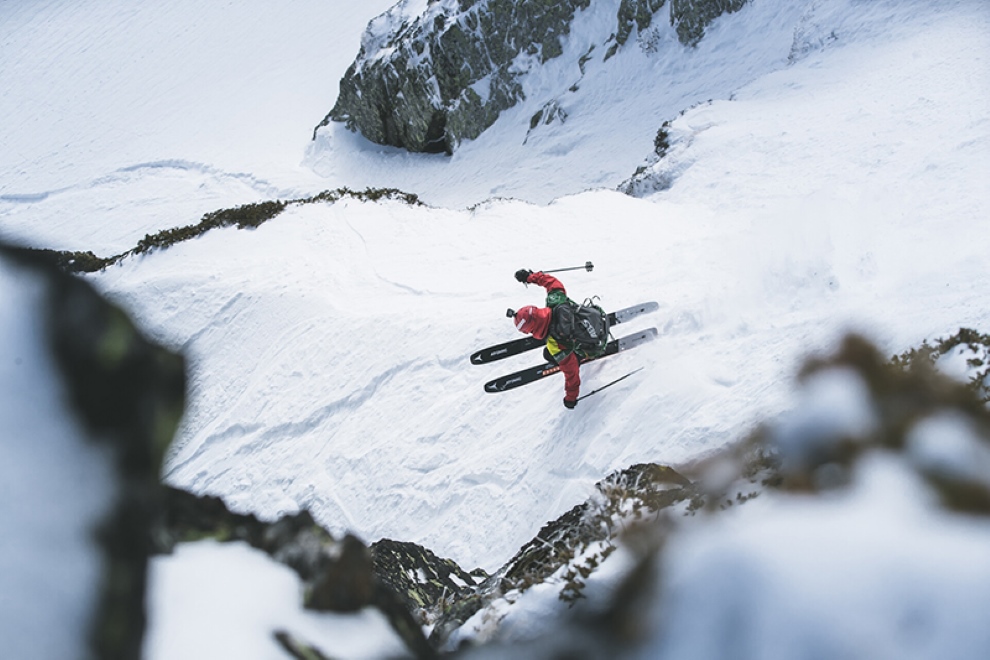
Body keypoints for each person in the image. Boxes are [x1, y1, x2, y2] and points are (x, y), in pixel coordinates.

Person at [511, 268, 583, 409]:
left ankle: (580, 355)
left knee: (548, 354)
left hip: (592, 346)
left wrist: (571, 397)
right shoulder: (555, 300)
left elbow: (571, 373)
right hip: (590, 316)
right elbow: (550, 282)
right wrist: (530, 277)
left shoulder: (554, 345)